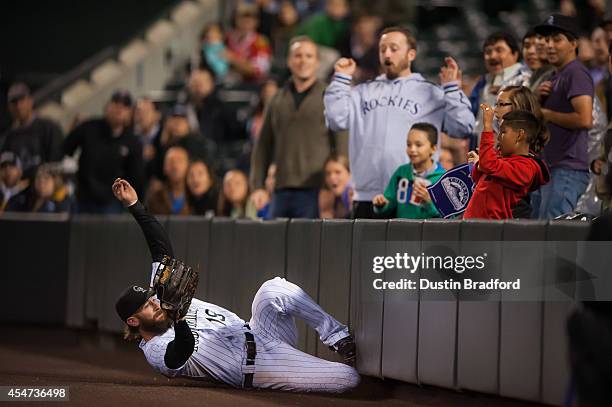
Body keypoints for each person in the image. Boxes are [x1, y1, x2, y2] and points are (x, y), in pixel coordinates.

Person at [111, 177, 359, 393]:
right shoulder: (155, 349)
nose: (154, 303)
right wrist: (179, 319)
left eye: (151, 297)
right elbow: (179, 352)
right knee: (348, 379)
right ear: (133, 321)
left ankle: (337, 334)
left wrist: (135, 206)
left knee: (272, 289)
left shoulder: (164, 299)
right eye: (146, 305)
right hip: (258, 366)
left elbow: (160, 248)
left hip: (261, 331)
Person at [324, 26, 474, 218]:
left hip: (412, 198)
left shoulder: (429, 92)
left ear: (411, 54)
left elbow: (463, 127)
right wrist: (340, 79)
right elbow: (336, 120)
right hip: (369, 197)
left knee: (404, 249)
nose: (387, 53)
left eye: (394, 48)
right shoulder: (362, 92)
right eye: (382, 48)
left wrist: (452, 89)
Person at [250, 36, 346, 219]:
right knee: (276, 245)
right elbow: (263, 146)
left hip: (318, 190)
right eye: (298, 55)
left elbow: (341, 145)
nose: (303, 61)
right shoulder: (276, 100)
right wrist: (258, 186)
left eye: (309, 56)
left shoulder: (331, 97)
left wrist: (337, 186)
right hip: (281, 188)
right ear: (289, 61)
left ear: (317, 62)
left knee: (310, 246)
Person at [532, 14, 594, 219]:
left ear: (573, 43)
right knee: (542, 236)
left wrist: (547, 114)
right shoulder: (556, 75)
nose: (549, 45)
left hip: (567, 168)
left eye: (557, 39)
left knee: (555, 241)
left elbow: (585, 119)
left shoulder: (576, 72)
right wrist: (539, 100)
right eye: (547, 39)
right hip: (551, 168)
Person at [63, 90, 144, 214]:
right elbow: (65, 149)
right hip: (83, 199)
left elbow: (136, 176)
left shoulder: (133, 141)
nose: (119, 108)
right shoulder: (88, 127)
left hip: (113, 203)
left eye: (125, 105)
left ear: (130, 112)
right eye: (116, 103)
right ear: (107, 106)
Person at [464, 105, 550, 220]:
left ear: (520, 135)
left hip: (490, 230)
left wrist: (488, 126)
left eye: (503, 132)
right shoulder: (501, 159)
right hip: (473, 224)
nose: (499, 138)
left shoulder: (526, 169)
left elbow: (489, 165)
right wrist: (479, 164)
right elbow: (478, 178)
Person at [372, 123, 445, 219]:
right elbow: (389, 204)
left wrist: (429, 203)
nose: (412, 149)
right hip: (402, 231)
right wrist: (381, 204)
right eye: (408, 145)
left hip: (429, 232)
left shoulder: (443, 178)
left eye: (418, 145)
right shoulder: (401, 172)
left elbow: (448, 217)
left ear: (433, 149)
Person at [470, 32, 527, 142]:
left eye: (499, 50)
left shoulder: (525, 78)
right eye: (488, 52)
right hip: (483, 151)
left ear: (515, 54)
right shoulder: (482, 83)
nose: (492, 56)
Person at [0, 82, 64, 178]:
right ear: (9, 107)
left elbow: (58, 163)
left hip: (46, 186)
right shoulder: (9, 138)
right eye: (14, 102)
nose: (18, 105)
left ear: (31, 100)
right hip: (21, 190)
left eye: (22, 100)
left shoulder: (49, 128)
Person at [226, 3, 272, 83]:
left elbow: (258, 70)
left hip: (252, 85)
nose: (245, 21)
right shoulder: (227, 38)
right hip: (228, 83)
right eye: (242, 17)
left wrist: (233, 59)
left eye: (250, 18)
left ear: (256, 22)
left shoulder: (260, 41)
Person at [5, 164, 73, 213]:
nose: (41, 181)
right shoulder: (25, 199)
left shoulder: (64, 202)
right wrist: (14, 191)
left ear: (55, 182)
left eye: (46, 178)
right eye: (38, 177)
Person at [146, 146, 191, 216]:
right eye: (171, 161)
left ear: (188, 166)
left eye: (180, 161)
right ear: (164, 167)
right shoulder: (155, 195)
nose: (175, 166)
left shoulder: (196, 195)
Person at [133, 98, 163, 182]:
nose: (141, 116)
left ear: (157, 115)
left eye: (146, 112)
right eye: (138, 112)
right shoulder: (130, 138)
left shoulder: (165, 137)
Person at [319, 154, 352, 219]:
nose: (332, 177)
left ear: (350, 174)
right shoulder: (329, 197)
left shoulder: (353, 194)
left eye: (338, 172)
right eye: (328, 173)